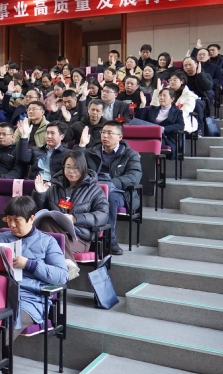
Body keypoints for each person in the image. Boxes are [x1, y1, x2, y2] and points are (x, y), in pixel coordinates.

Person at [0, 196, 68, 340]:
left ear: (31, 219)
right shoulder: (2, 238)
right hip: (0, 292)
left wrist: (29, 264)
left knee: (9, 321)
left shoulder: (47, 242)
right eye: (8, 219)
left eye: (17, 220)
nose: (12, 225)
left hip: (30, 299)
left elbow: (62, 276)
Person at [76, 121, 142, 255]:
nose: (105, 136)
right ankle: (82, 237)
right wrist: (81, 146)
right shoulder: (92, 152)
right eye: (103, 132)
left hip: (120, 192)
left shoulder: (130, 154)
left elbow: (133, 177)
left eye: (109, 133)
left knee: (109, 198)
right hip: (93, 189)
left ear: (120, 137)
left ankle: (109, 240)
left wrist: (109, 184)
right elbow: (76, 166)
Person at [32, 150, 109, 263]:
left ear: (83, 168)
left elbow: (102, 215)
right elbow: (38, 213)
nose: (71, 171)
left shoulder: (95, 190)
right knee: (46, 223)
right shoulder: (54, 188)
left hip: (78, 237)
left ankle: (66, 265)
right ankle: (68, 266)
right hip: (53, 233)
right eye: (68, 167)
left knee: (47, 247)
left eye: (76, 168)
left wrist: (75, 218)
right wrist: (40, 194)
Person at [144, 88, 185, 159]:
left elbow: (181, 125)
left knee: (153, 145)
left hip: (166, 137)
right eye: (160, 95)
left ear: (172, 99)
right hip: (150, 136)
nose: (161, 98)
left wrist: (164, 129)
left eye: (164, 96)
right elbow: (140, 120)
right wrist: (143, 104)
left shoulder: (177, 112)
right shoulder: (152, 109)